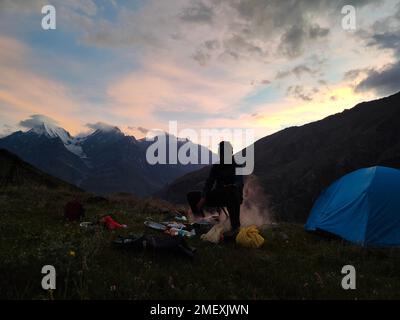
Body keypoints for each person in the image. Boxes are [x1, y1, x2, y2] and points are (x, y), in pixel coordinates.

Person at [187, 141, 244, 232]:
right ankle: (200, 222)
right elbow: (209, 183)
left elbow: (239, 182)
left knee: (231, 192)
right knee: (191, 196)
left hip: (233, 197)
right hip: (218, 195)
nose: (221, 155)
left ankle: (235, 227)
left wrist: (232, 186)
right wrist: (203, 197)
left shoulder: (237, 165)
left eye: (223, 152)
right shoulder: (217, 166)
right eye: (220, 152)